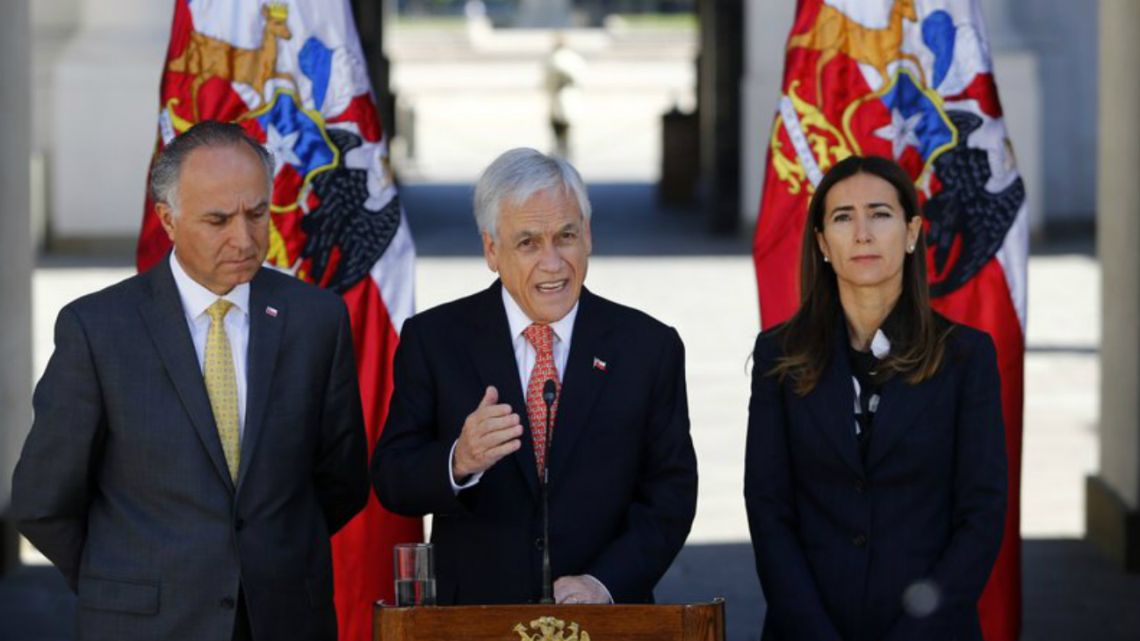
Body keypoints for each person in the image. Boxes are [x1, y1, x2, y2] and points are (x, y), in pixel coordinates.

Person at [10, 121, 369, 641]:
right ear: (168, 220)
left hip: (284, 617)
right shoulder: (98, 330)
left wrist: (266, 560)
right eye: (218, 220)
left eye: (257, 214)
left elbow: (342, 480)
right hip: (143, 625)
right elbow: (43, 501)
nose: (243, 239)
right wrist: (125, 579)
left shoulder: (317, 320)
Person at [372, 147, 697, 605]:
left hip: (604, 621)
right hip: (475, 620)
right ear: (491, 249)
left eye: (565, 236)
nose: (552, 262)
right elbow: (392, 478)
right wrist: (458, 460)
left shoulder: (648, 347)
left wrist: (604, 583)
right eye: (528, 242)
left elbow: (671, 495)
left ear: (588, 235)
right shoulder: (435, 339)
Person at [745, 155, 1007, 641]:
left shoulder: (967, 357)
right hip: (808, 628)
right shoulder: (778, 354)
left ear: (911, 233)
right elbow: (768, 509)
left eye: (880, 214)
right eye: (843, 217)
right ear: (823, 243)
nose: (862, 233)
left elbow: (982, 514)